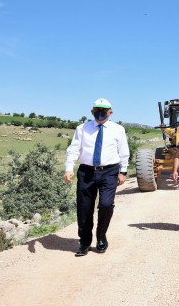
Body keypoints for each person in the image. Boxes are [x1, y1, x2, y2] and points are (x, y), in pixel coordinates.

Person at [64, 98, 130, 256]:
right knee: (84, 208)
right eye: (97, 110)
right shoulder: (82, 128)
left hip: (109, 171)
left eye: (104, 110)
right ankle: (85, 242)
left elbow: (123, 151)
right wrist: (69, 168)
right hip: (86, 171)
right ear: (92, 111)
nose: (100, 113)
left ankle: (101, 236)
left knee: (106, 204)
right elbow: (74, 149)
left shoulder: (118, 129)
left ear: (110, 112)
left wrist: (123, 172)